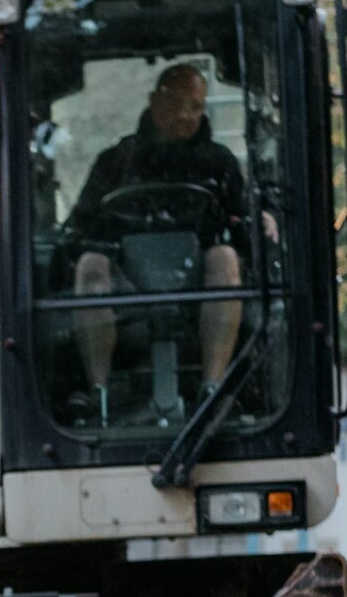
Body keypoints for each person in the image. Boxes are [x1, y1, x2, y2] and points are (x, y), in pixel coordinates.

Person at [67, 62, 250, 410]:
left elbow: (243, 224)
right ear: (154, 101)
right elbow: (82, 226)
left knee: (225, 258)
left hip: (199, 289)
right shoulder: (115, 162)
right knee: (90, 265)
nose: (184, 114)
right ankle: (97, 393)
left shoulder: (221, 164)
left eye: (194, 106)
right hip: (126, 289)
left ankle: (212, 389)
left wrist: (261, 221)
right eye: (175, 103)